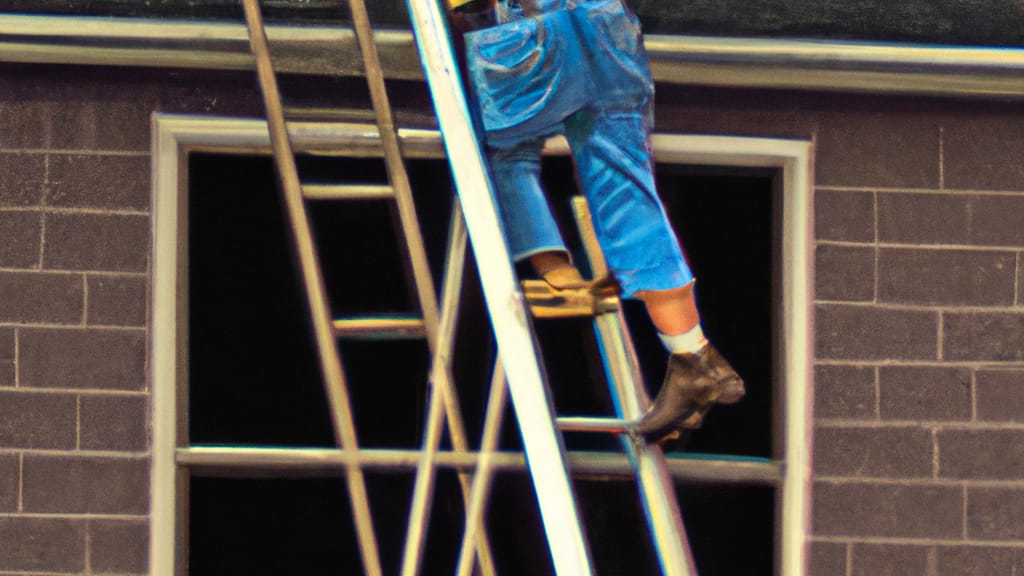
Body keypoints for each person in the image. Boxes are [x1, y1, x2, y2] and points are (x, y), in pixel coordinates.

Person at [451, 0, 744, 439]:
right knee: (625, 191)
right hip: (605, 24)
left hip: (530, 28)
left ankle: (555, 271)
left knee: (502, 156)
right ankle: (693, 356)